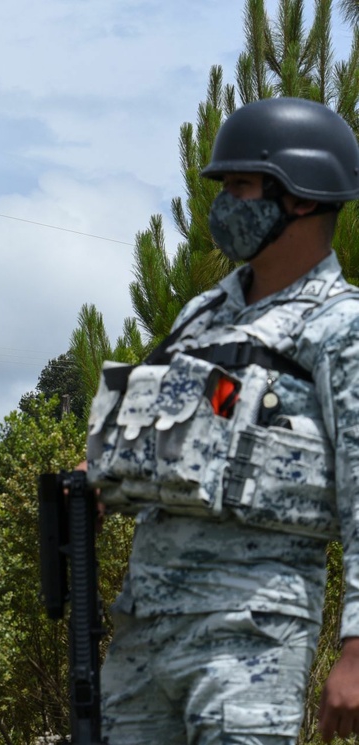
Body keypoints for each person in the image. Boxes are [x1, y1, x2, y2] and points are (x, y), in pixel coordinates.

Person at [85, 97, 359, 744]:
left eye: (239, 184)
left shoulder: (339, 326)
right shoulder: (202, 315)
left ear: (298, 196)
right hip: (144, 629)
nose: (224, 203)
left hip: (249, 633)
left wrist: (356, 646)